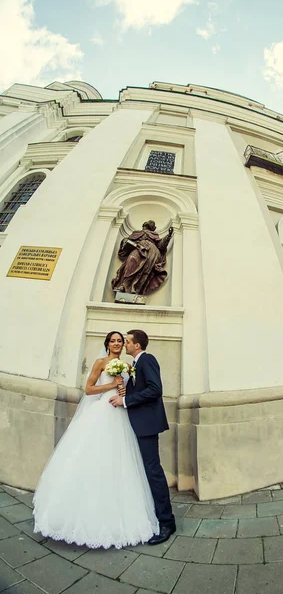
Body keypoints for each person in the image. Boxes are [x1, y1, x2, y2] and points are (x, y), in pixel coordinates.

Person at [33, 331, 159, 549]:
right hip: (102, 411)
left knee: (121, 462)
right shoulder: (101, 362)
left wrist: (123, 390)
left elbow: (131, 390)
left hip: (122, 415)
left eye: (121, 341)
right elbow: (89, 389)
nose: (118, 344)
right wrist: (112, 386)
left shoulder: (129, 366)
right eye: (114, 341)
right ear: (107, 344)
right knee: (94, 458)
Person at [109, 329, 176, 545]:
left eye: (127, 341)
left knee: (153, 471)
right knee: (145, 470)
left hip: (147, 425)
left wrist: (126, 401)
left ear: (137, 345)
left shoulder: (147, 360)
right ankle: (153, 515)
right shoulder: (136, 364)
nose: (124, 344)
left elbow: (155, 389)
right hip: (138, 425)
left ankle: (167, 522)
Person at [111, 220, 174, 295]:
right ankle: (124, 285)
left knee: (145, 271)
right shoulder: (136, 233)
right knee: (131, 260)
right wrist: (125, 241)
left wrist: (168, 236)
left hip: (152, 253)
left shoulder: (155, 235)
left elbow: (161, 246)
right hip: (139, 249)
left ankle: (136, 289)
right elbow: (127, 241)